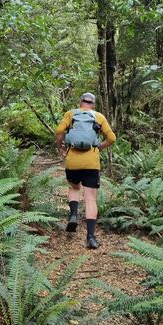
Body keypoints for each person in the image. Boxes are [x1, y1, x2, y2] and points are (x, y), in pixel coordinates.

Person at [55, 92, 116, 249]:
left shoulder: (70, 114)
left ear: (80, 102)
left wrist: (60, 148)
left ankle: (74, 215)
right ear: (93, 104)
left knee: (74, 187)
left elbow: (59, 131)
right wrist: (99, 147)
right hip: (91, 163)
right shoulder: (98, 116)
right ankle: (90, 237)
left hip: (72, 161)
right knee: (90, 199)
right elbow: (112, 138)